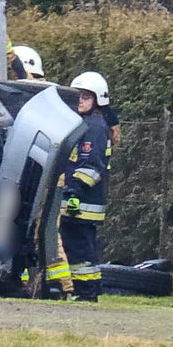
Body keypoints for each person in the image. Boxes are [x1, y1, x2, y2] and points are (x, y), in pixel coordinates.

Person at [58, 71, 112, 301]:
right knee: (76, 247)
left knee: (81, 249)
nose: (80, 100)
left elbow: (92, 166)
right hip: (77, 200)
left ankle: (87, 293)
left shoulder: (94, 127)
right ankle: (86, 291)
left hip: (82, 202)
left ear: (98, 100)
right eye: (77, 95)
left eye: (86, 96)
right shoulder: (82, 123)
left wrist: (74, 192)